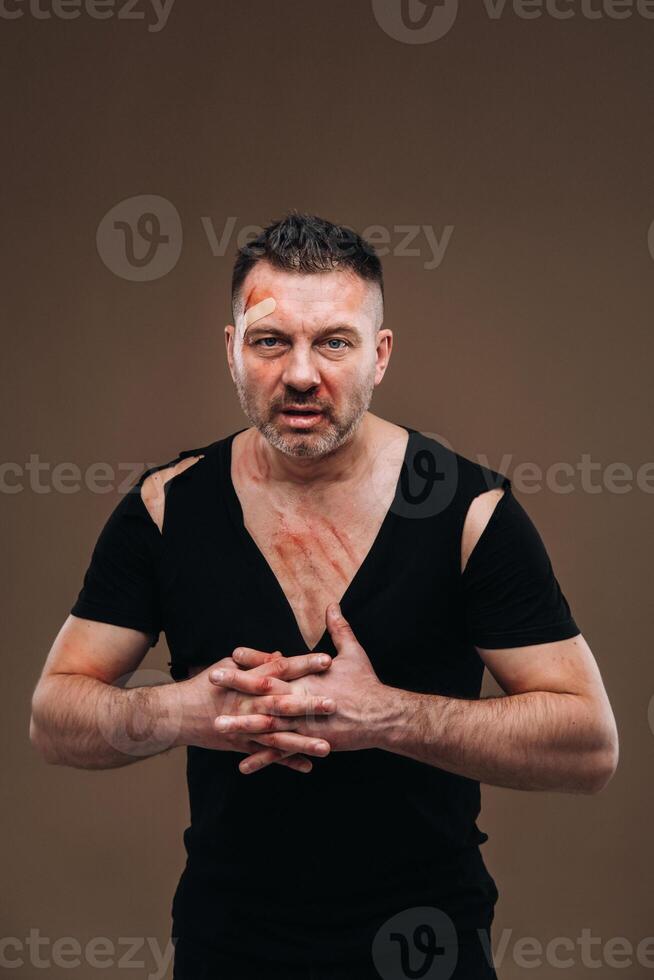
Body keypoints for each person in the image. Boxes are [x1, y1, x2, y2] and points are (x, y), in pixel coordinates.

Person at [30, 211, 619, 980]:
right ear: (233, 352)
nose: (302, 373)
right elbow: (53, 719)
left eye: (333, 342)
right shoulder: (166, 509)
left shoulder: (469, 513)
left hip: (426, 948)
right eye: (271, 341)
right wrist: (175, 712)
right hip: (226, 947)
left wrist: (390, 718)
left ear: (379, 357)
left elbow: (591, 746)